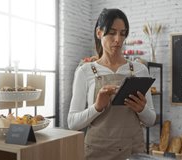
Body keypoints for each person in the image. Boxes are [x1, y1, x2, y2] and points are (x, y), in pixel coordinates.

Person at [67, 8, 156, 160]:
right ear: (99, 33)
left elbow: (151, 120)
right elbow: (72, 123)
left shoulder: (140, 70)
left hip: (132, 151)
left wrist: (142, 110)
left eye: (123, 33)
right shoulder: (85, 71)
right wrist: (97, 107)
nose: (118, 39)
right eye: (112, 32)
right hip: (96, 151)